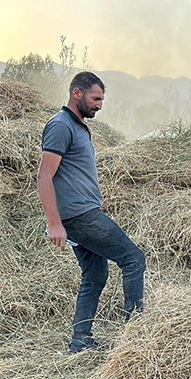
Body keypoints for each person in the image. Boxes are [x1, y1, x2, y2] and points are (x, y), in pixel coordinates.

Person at [37, 71, 145, 354]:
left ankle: (80, 341)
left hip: (82, 213)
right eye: (96, 98)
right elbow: (44, 176)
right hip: (79, 216)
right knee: (133, 258)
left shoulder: (78, 126)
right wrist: (54, 224)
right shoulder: (61, 126)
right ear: (77, 93)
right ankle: (137, 337)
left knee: (96, 274)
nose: (100, 105)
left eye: (102, 100)